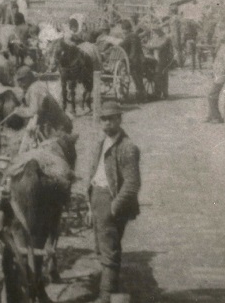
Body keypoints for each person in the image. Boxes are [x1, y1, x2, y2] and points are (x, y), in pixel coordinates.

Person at [86, 102, 141, 303]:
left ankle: (105, 296)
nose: (106, 124)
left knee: (109, 251)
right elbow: (94, 173)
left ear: (120, 119)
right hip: (97, 198)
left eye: (111, 119)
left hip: (110, 200)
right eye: (103, 119)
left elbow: (132, 184)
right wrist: (89, 204)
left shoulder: (127, 148)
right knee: (102, 248)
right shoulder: (103, 142)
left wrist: (113, 207)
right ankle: (110, 290)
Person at [206, 32, 225, 123]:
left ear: (222, 39)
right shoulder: (221, 48)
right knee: (212, 95)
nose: (216, 40)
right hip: (217, 74)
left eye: (217, 38)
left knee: (211, 95)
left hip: (221, 75)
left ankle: (216, 117)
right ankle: (211, 115)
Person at [146, 27, 173, 100]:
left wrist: (150, 46)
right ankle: (159, 92)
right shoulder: (155, 38)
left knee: (161, 74)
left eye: (155, 31)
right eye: (154, 32)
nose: (155, 33)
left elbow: (160, 46)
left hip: (164, 58)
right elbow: (148, 44)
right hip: (157, 58)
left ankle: (162, 93)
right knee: (158, 74)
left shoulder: (166, 38)